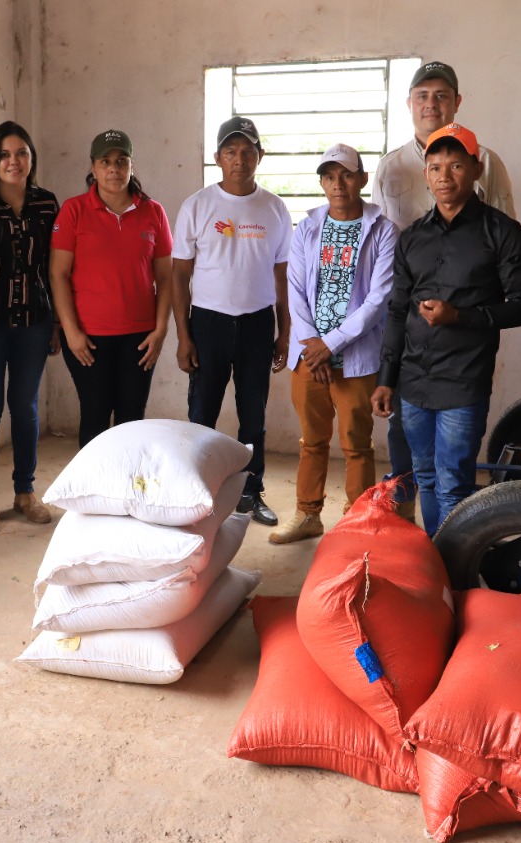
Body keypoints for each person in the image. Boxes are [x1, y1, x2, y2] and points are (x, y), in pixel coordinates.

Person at [372, 124, 521, 537]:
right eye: (435, 167)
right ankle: (437, 567)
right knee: (426, 478)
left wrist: (459, 316)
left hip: (463, 382)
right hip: (414, 382)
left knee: (453, 485)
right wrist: (386, 379)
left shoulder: (502, 233)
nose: (444, 176)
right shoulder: (412, 237)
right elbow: (397, 310)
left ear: (476, 170)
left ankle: (455, 572)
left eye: (456, 165)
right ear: (425, 174)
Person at [272, 143, 398, 545]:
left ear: (362, 178)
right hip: (310, 357)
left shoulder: (383, 230)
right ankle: (308, 515)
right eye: (329, 176)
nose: (338, 183)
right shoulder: (307, 228)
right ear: (322, 183)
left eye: (346, 174)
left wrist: (332, 344)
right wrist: (313, 345)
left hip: (356, 358)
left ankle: (356, 524)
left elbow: (379, 299)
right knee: (312, 440)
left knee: (357, 445)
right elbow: (295, 291)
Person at [171, 116, 292, 527]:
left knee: (252, 414)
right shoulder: (198, 205)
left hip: (258, 323)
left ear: (259, 155)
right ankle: (196, 493)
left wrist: (285, 331)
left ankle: (250, 491)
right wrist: (184, 336)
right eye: (230, 151)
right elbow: (179, 275)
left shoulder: (274, 208)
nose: (239, 159)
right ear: (217, 157)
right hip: (209, 323)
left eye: (247, 151)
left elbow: (282, 276)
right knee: (202, 410)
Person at [0, 122, 59, 533]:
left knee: (26, 407)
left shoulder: (47, 204)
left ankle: (25, 491)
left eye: (21, 153)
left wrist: (55, 320)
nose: (14, 161)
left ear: (32, 158)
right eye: (4, 154)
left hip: (34, 323)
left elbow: (56, 269)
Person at [50, 130, 173, 447]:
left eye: (121, 161)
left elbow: (166, 277)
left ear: (132, 166)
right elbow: (58, 275)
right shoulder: (74, 210)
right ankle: (93, 496)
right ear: (93, 167)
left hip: (140, 338)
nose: (114, 169)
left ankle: (128, 495)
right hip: (88, 339)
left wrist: (160, 331)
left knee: (132, 418)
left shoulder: (153, 212)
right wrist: (71, 331)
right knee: (94, 416)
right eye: (105, 161)